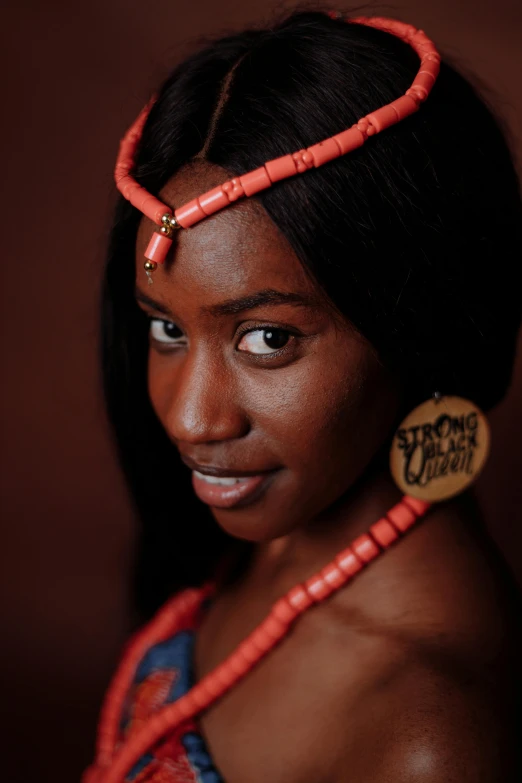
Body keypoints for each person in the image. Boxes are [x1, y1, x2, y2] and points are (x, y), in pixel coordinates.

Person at [85, 8, 522, 782]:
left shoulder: (429, 737)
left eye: (267, 339)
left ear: (418, 323)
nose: (190, 418)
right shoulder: (275, 533)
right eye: (165, 331)